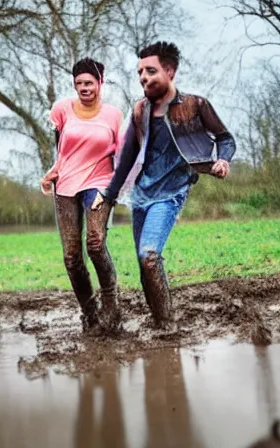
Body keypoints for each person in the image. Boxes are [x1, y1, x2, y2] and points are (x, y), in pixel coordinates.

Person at [92, 41, 236, 329]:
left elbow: (225, 138)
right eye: (140, 73)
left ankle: (169, 327)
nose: (144, 77)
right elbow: (126, 161)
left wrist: (223, 160)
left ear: (169, 71)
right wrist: (108, 198)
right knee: (144, 265)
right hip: (141, 196)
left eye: (151, 71)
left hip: (171, 193)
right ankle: (159, 323)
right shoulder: (139, 111)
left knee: (149, 256)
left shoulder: (196, 105)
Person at [40, 58, 123, 333]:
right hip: (65, 187)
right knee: (71, 257)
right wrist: (53, 171)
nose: (83, 88)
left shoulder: (113, 115)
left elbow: (121, 155)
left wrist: (119, 188)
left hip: (100, 182)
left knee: (96, 244)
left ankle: (111, 303)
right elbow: (60, 148)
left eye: (88, 83)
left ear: (100, 82)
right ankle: (90, 313)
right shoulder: (62, 109)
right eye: (78, 84)